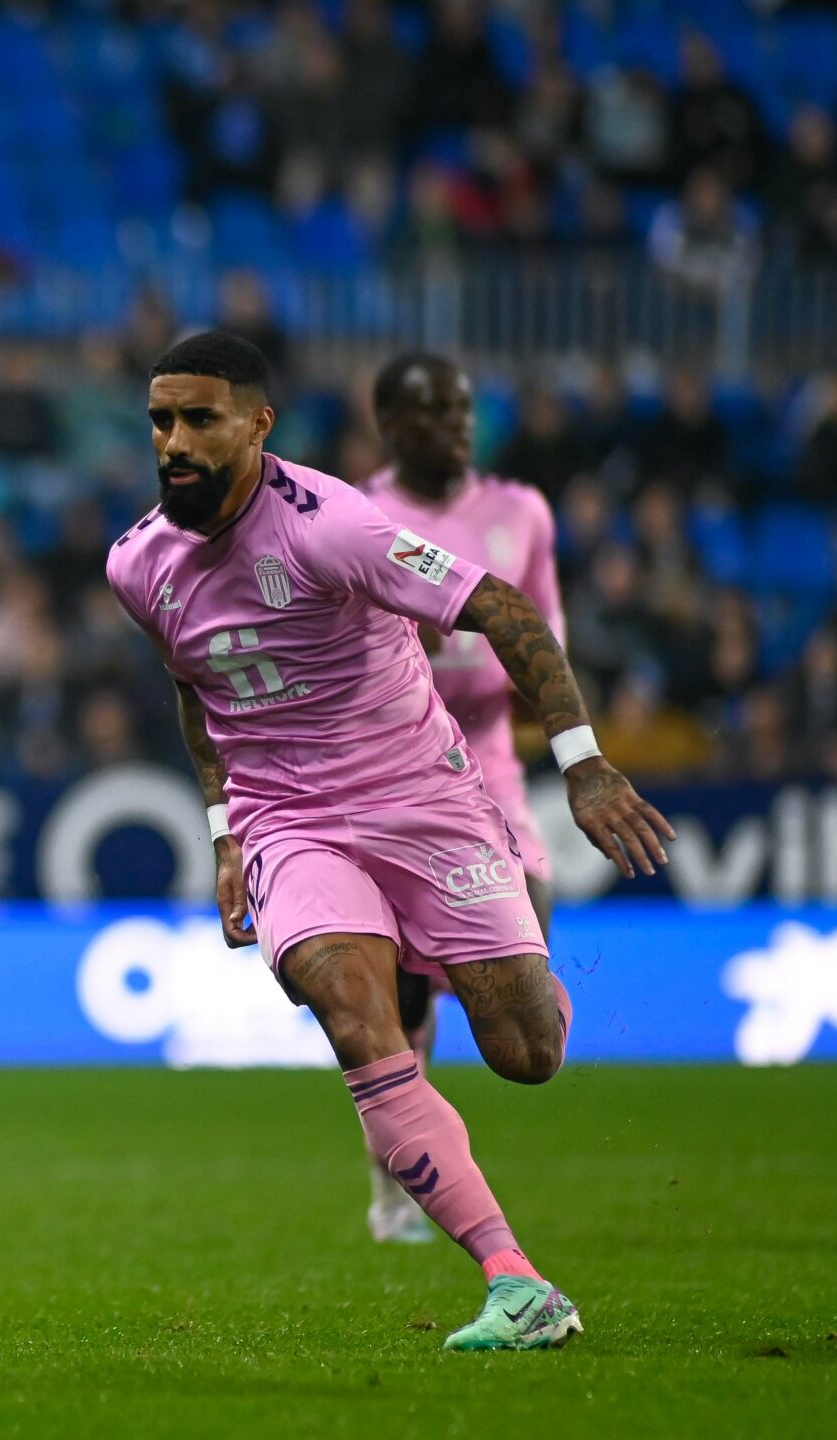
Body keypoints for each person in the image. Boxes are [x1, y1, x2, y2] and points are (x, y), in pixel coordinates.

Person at [103, 332, 671, 1351]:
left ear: (257, 424)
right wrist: (226, 832)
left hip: (419, 795)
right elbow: (195, 688)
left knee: (527, 1053)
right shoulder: (136, 563)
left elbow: (503, 609)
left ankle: (496, 960)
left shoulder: (332, 527)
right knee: (354, 1016)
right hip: (289, 821)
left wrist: (584, 762)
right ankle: (517, 1284)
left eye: (198, 419)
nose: (173, 442)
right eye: (160, 421)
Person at [357, 351, 567, 1245]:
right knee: (399, 997)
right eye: (434, 412)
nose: (456, 426)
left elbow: (542, 631)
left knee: (532, 916)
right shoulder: (355, 517)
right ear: (389, 426)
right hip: (392, 763)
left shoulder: (522, 513)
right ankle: (394, 1186)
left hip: (487, 756)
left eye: (464, 410)